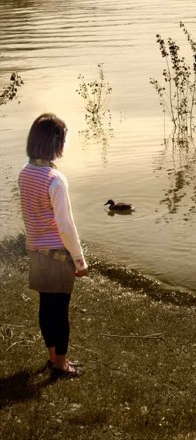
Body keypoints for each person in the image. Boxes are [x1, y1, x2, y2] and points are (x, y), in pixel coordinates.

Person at [18, 113, 88, 380]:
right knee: (60, 312)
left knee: (46, 307)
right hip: (58, 256)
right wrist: (79, 261)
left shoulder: (26, 174)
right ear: (55, 142)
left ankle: (53, 358)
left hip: (36, 251)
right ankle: (61, 364)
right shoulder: (55, 179)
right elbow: (66, 226)